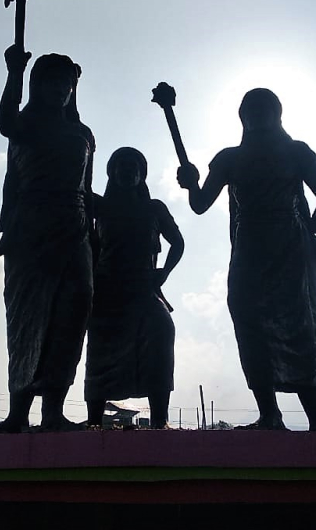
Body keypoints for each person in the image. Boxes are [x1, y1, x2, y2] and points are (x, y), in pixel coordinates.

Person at [176, 88, 316, 431]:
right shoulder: (229, 158)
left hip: (290, 247)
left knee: (302, 325)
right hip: (249, 248)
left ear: (277, 114)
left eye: (266, 109)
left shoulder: (296, 152)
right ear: (242, 116)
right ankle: (269, 413)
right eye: (252, 109)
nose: (258, 115)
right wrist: (190, 184)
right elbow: (201, 204)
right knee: (250, 323)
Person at [0, 43, 95, 433]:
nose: (61, 90)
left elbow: (87, 186)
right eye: (52, 82)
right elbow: (4, 122)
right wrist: (14, 71)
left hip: (76, 230)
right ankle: (19, 413)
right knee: (30, 316)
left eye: (66, 83)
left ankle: (54, 410)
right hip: (31, 229)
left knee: (70, 316)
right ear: (38, 85)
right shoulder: (25, 124)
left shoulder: (82, 134)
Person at [85, 147, 184, 429]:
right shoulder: (99, 206)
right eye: (121, 166)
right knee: (100, 350)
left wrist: (163, 273)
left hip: (144, 288)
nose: (127, 171)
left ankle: (159, 419)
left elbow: (178, 242)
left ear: (142, 175)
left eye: (133, 167)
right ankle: (94, 420)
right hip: (107, 289)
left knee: (161, 331)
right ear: (112, 172)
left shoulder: (154, 208)